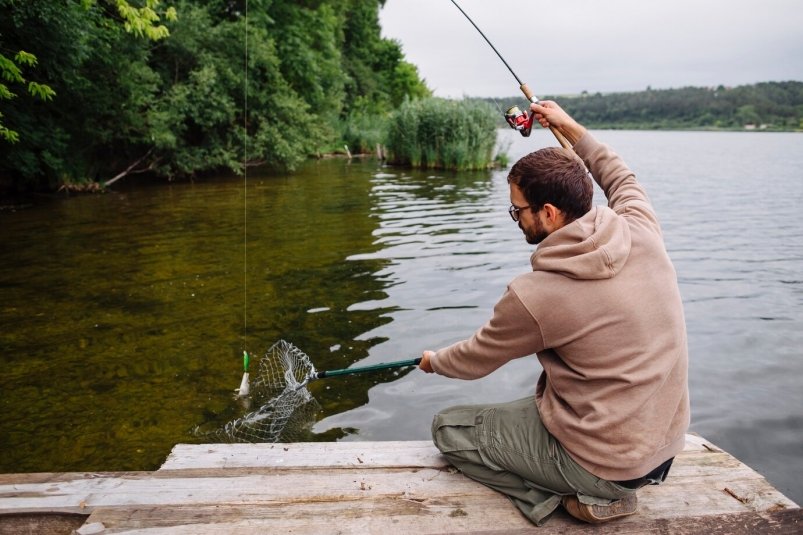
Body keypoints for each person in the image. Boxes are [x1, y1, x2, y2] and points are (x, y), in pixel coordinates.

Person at [419, 101, 689, 526]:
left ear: (548, 212)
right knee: (533, 403)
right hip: (665, 448)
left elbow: (475, 359)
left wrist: (433, 361)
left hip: (607, 463)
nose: (514, 218)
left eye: (517, 210)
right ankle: (599, 481)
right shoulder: (641, 227)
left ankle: (565, 500)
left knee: (449, 429)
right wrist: (569, 126)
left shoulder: (536, 296)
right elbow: (618, 174)